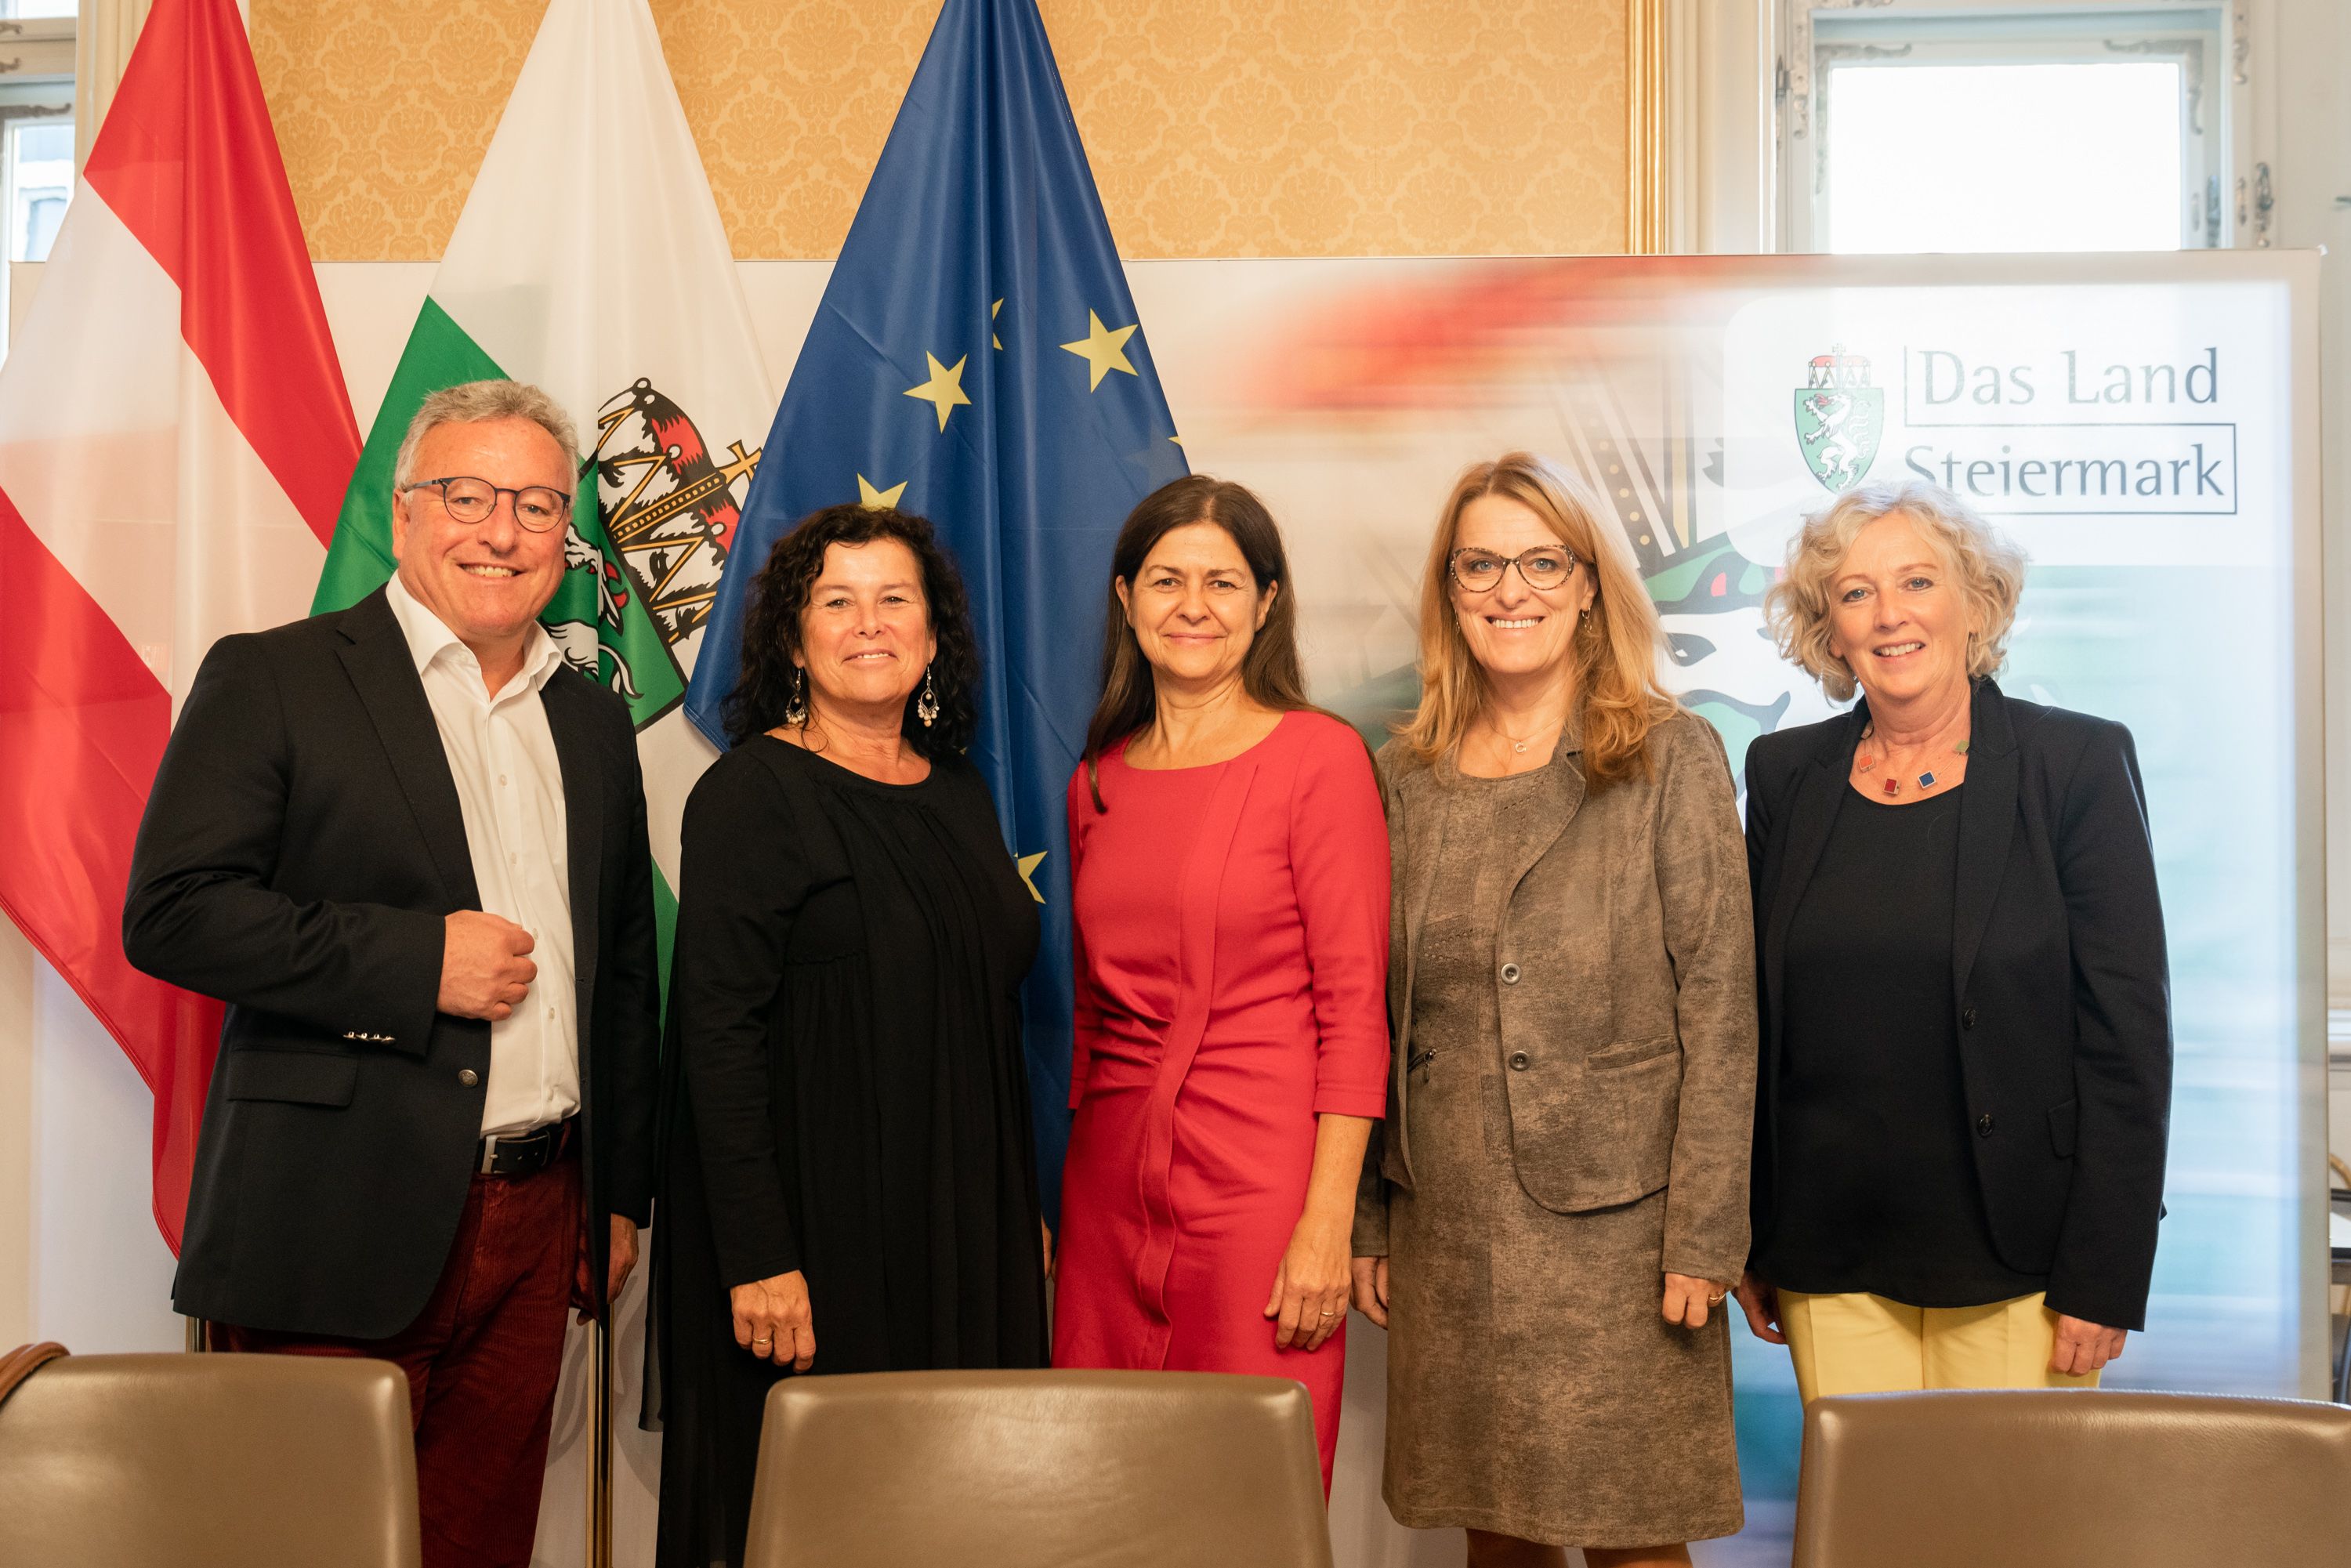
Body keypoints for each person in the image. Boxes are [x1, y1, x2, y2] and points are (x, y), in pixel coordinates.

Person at [122, 380, 659, 1568]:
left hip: (544, 1220)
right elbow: (173, 915)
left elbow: (624, 968)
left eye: (533, 504)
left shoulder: (589, 721)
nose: (501, 530)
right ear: (404, 514)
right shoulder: (278, 677)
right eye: (466, 495)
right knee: (305, 1544)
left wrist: (617, 1191)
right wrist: (420, 961)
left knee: (483, 1545)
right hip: (332, 1214)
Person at [1349, 453, 1754, 1568]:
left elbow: (1723, 1009)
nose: (1509, 589)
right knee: (1499, 1530)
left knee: (1633, 1537)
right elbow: (1380, 1017)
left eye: (1540, 561)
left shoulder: (1670, 756)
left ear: (1587, 585)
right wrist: (1372, 1219)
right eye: (1481, 563)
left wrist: (1707, 1236)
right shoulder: (1406, 776)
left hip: (1622, 1237)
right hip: (1451, 1226)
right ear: (1449, 587)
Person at [649, 504, 1049, 1568]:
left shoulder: (959, 790)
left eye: (893, 600)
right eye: (837, 601)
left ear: (930, 636)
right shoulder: (749, 794)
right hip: (815, 1248)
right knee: (825, 1523)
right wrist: (760, 1257)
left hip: (960, 1228)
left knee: (952, 1518)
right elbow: (715, 1038)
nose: (866, 623)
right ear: (792, 635)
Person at [1734, 479, 2171, 1402]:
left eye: (1919, 583)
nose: (1890, 615)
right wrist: (1749, 1227)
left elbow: (2128, 1039)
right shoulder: (1784, 775)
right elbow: (1755, 1026)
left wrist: (2108, 1269)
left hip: (2025, 1259)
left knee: (2013, 1535)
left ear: (1976, 605)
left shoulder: (2075, 765)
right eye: (1856, 594)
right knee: (1865, 1536)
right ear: (1831, 631)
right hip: (1829, 1250)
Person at [1051, 475, 1389, 1491]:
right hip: (1108, 1191)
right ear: (1125, 598)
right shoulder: (1097, 777)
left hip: (1263, 1195)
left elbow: (1355, 1010)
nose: (1192, 605)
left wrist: (1327, 1222)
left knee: (1250, 1492)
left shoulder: (1319, 759)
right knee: (1106, 1493)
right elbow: (1086, 1014)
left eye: (1222, 581)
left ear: (1268, 604)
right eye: (1166, 579)